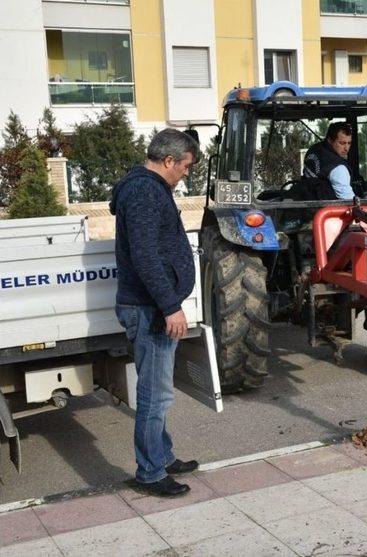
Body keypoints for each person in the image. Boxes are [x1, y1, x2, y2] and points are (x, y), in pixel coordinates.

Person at [109, 128, 199, 497]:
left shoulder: (145, 188)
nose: (187, 173)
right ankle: (149, 471)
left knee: (157, 390)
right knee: (154, 394)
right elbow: (146, 257)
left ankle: (160, 455)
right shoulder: (145, 192)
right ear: (168, 161)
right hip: (150, 310)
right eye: (186, 166)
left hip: (152, 307)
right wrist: (170, 306)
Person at [302, 122, 356, 199]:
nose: (346, 148)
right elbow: (349, 200)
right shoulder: (338, 169)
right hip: (323, 207)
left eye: (349, 143)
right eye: (342, 143)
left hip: (307, 202)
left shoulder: (313, 150)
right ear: (330, 140)